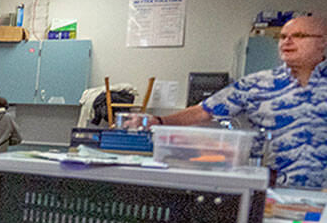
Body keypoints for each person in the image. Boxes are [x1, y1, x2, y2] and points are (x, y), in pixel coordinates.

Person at [139, 14, 327, 187]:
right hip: (270, 190)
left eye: (299, 35)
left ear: (322, 42)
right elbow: (204, 111)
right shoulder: (256, 83)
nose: (287, 41)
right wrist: (160, 121)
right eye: (283, 36)